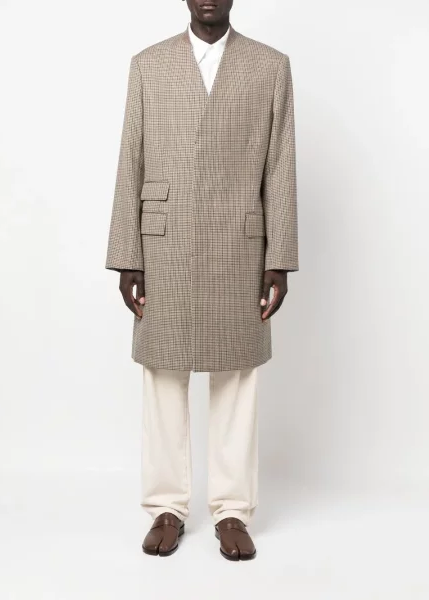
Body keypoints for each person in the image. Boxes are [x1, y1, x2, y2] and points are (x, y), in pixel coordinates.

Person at [105, 0, 298, 561]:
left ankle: (233, 510)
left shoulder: (270, 65)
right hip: (162, 242)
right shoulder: (148, 64)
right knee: (163, 372)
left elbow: (280, 164)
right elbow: (131, 160)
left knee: (236, 375)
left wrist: (280, 256)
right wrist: (127, 254)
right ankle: (166, 507)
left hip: (240, 242)